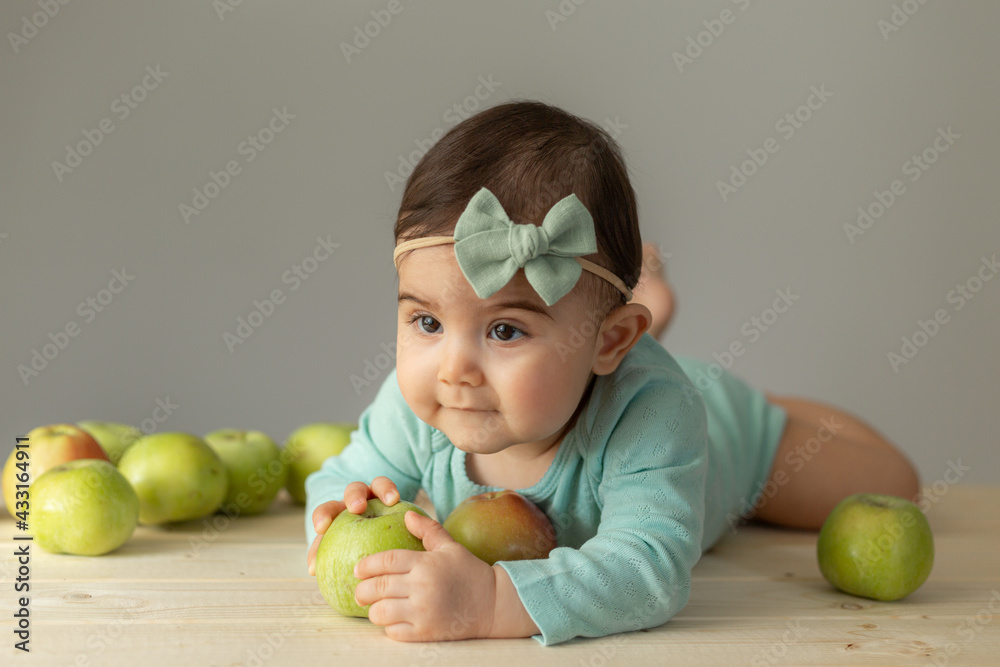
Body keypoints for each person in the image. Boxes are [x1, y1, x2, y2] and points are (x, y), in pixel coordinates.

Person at [304, 100, 921, 645]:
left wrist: (494, 601)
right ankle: (648, 303)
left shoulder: (654, 415)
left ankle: (769, 408)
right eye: (428, 324)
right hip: (606, 359)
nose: (454, 369)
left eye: (504, 330)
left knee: (895, 482)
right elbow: (344, 475)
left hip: (734, 440)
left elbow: (648, 569)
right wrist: (338, 510)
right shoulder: (422, 403)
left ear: (612, 341)